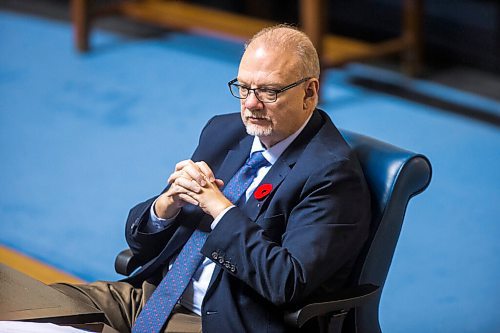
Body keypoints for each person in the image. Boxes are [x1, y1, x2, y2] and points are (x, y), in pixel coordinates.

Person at [53, 24, 371, 333]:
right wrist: (165, 207)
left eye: (269, 91)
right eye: (244, 87)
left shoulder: (331, 174)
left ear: (309, 92)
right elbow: (139, 244)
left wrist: (221, 211)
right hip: (147, 299)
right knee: (21, 304)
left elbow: (286, 282)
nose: (250, 104)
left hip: (217, 321)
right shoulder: (224, 131)